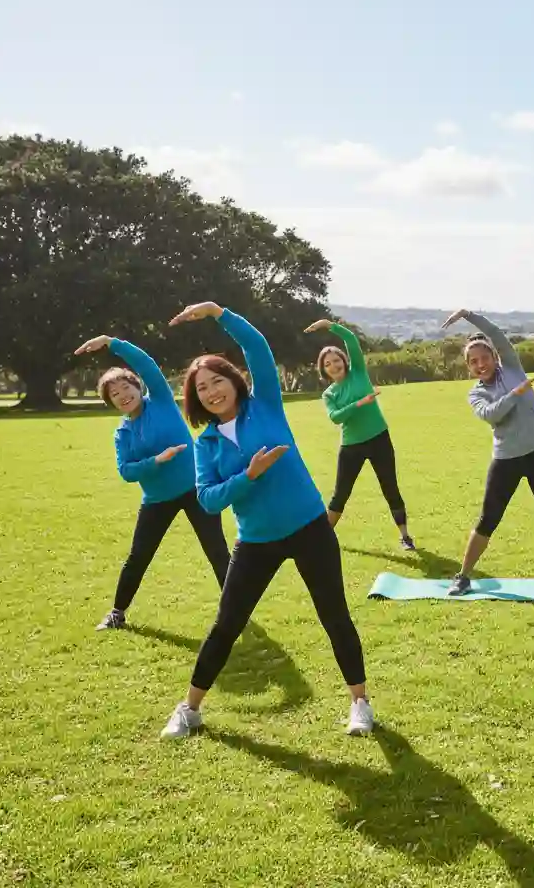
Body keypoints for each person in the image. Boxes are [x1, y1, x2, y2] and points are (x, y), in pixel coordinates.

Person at [158, 302, 373, 740]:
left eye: (218, 380)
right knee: (227, 624)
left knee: (334, 614)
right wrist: (248, 475)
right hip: (256, 541)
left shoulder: (265, 406)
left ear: (234, 381)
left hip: (310, 527)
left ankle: (360, 704)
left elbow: (256, 346)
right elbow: (209, 499)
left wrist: (219, 312)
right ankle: (189, 709)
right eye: (202, 389)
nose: (213, 391)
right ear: (195, 399)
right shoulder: (207, 443)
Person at [74, 334, 230, 631]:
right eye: (115, 394)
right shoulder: (123, 434)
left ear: (137, 386)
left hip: (196, 488)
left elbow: (145, 363)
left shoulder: (160, 399)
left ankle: (236, 608)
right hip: (157, 498)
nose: (123, 395)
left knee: (216, 549)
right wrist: (157, 461)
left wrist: (111, 342)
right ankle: (117, 613)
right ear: (111, 403)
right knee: (139, 556)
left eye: (126, 387)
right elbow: (127, 471)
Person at [440, 309, 534, 597]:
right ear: (469, 367)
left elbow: (495, 333)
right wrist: (515, 394)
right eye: (474, 362)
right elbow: (492, 415)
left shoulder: (513, 367)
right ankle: (463, 576)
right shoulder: (475, 394)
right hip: (506, 460)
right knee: (488, 520)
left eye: (484, 358)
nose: (480, 364)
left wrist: (468, 315)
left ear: (495, 357)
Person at [304, 318, 415, 551]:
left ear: (344, 361)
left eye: (336, 360)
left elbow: (351, 340)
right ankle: (322, 539)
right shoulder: (329, 393)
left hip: (379, 438)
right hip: (352, 445)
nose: (334, 365)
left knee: (390, 487)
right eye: (328, 364)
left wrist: (329, 325)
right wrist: (360, 403)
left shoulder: (359, 373)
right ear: (323, 370)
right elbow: (335, 417)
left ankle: (405, 536)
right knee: (340, 494)